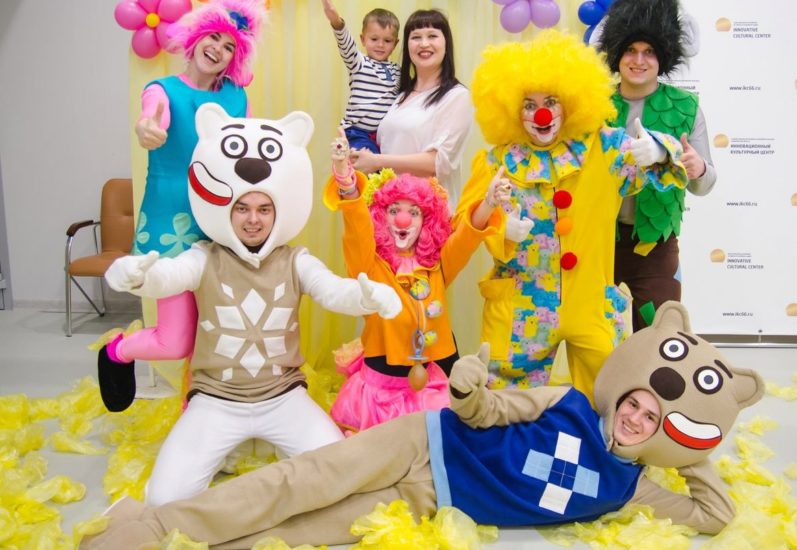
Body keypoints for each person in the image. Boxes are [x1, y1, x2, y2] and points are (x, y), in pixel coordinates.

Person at [80, 302, 765, 549]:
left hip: (428, 499)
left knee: (304, 531)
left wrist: (687, 448)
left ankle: (192, 546)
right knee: (297, 482)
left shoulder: (629, 489)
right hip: (425, 438)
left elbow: (713, 515)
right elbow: (492, 410)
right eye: (635, 403)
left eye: (652, 418)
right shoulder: (569, 403)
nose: (634, 418)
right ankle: (151, 528)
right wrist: (467, 390)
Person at [101, 104, 402, 506]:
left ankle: (264, 446)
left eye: (263, 209)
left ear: (278, 212)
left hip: (284, 398)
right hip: (215, 401)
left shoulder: (296, 260)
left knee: (339, 479)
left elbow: (331, 290)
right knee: (164, 500)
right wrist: (138, 276)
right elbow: (169, 276)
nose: (253, 220)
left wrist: (365, 297)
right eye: (242, 208)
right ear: (228, 211)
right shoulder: (203, 256)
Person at [453, 31, 689, 403]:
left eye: (551, 102)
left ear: (570, 103)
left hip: (591, 303)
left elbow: (670, 162)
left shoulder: (604, 147)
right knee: (506, 405)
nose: (541, 114)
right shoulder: (498, 161)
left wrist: (659, 150)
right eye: (529, 105)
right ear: (511, 109)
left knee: (610, 396)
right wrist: (500, 226)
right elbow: (465, 224)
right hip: (522, 306)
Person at [98, 0, 265, 399]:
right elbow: (151, 117)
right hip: (170, 219)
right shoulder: (163, 90)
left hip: (221, 220)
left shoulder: (237, 97)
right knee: (174, 341)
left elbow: (243, 154)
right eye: (213, 38)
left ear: (235, 57)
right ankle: (117, 350)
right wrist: (147, 128)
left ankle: (199, 407)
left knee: (217, 331)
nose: (218, 49)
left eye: (229, 46)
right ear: (195, 38)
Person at [324, 131, 508, 433]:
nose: (403, 220)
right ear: (381, 217)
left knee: (437, 443)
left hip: (428, 384)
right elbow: (355, 227)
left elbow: (466, 238)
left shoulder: (437, 265)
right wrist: (346, 180)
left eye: (414, 212)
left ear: (427, 221)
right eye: (394, 211)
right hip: (379, 391)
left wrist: (488, 203)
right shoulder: (368, 263)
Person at [597, 0, 717, 332]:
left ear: (662, 56)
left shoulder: (686, 106)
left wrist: (697, 167)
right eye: (630, 50)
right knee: (596, 337)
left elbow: (705, 184)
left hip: (656, 246)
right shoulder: (593, 104)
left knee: (660, 336)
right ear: (617, 53)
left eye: (649, 51)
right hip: (596, 241)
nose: (638, 60)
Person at [350, 9, 473, 210]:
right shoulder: (399, 96)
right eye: (416, 37)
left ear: (446, 44)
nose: (424, 44)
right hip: (389, 210)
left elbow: (438, 163)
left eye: (432, 36)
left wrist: (376, 161)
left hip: (429, 214)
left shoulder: (457, 96)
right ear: (407, 46)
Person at [321, 0, 400, 154]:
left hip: (382, 136)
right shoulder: (359, 63)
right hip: (357, 132)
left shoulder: (397, 71)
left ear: (395, 44)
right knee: (365, 159)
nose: (380, 45)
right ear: (363, 39)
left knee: (386, 164)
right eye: (374, 39)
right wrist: (335, 20)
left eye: (387, 41)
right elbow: (345, 42)